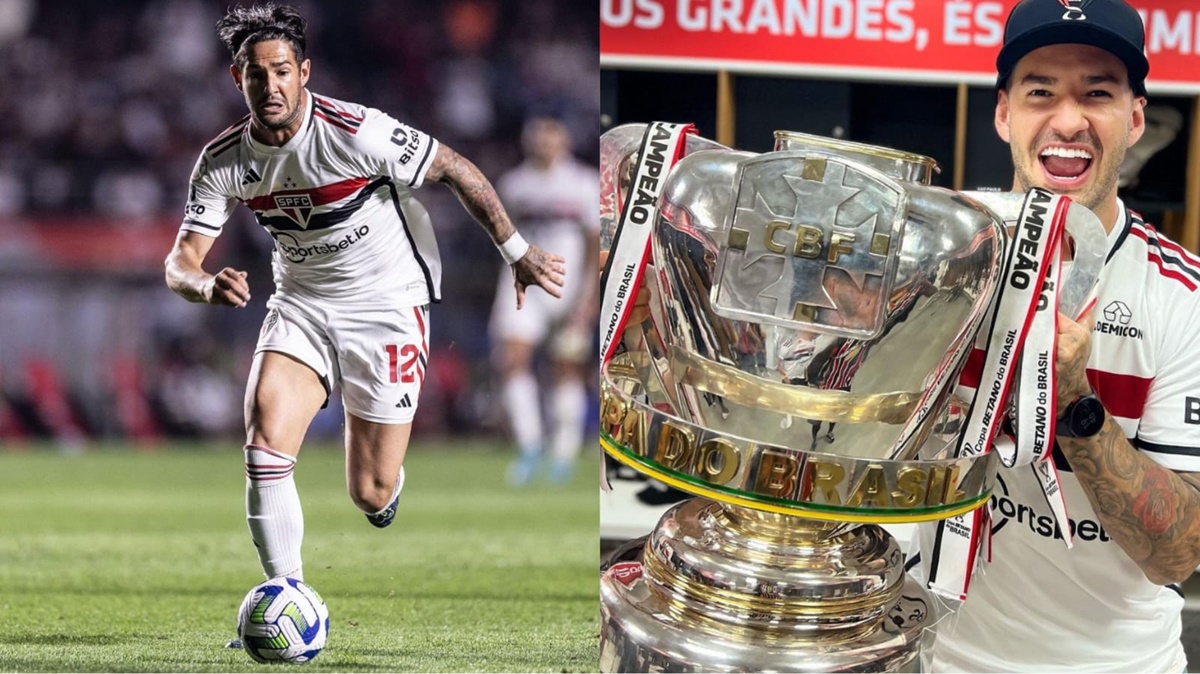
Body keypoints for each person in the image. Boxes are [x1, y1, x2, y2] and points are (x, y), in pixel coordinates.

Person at [162, 2, 564, 645]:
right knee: (265, 439)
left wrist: (518, 253)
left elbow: (456, 168)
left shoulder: (356, 132)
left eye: (282, 71)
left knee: (370, 493)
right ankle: (286, 592)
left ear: (304, 72)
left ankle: (385, 488)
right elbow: (179, 262)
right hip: (299, 304)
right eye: (255, 75)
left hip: (386, 305)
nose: (271, 87)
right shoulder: (222, 161)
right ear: (235, 79)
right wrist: (205, 284)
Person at [908, 1, 1200, 671]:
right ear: (1005, 113)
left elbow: (1179, 554)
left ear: (1134, 119)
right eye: (1042, 91)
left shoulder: (1186, 297)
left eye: (1097, 93)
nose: (1068, 121)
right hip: (940, 657)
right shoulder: (936, 259)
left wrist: (1072, 403)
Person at [490, 117, 599, 485]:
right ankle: (530, 446)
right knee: (513, 360)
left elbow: (592, 244)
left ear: (563, 137)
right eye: (537, 134)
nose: (543, 141)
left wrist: (588, 299)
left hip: (567, 282)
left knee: (565, 367)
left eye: (550, 133)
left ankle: (563, 453)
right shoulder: (514, 184)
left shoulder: (584, 184)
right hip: (523, 284)